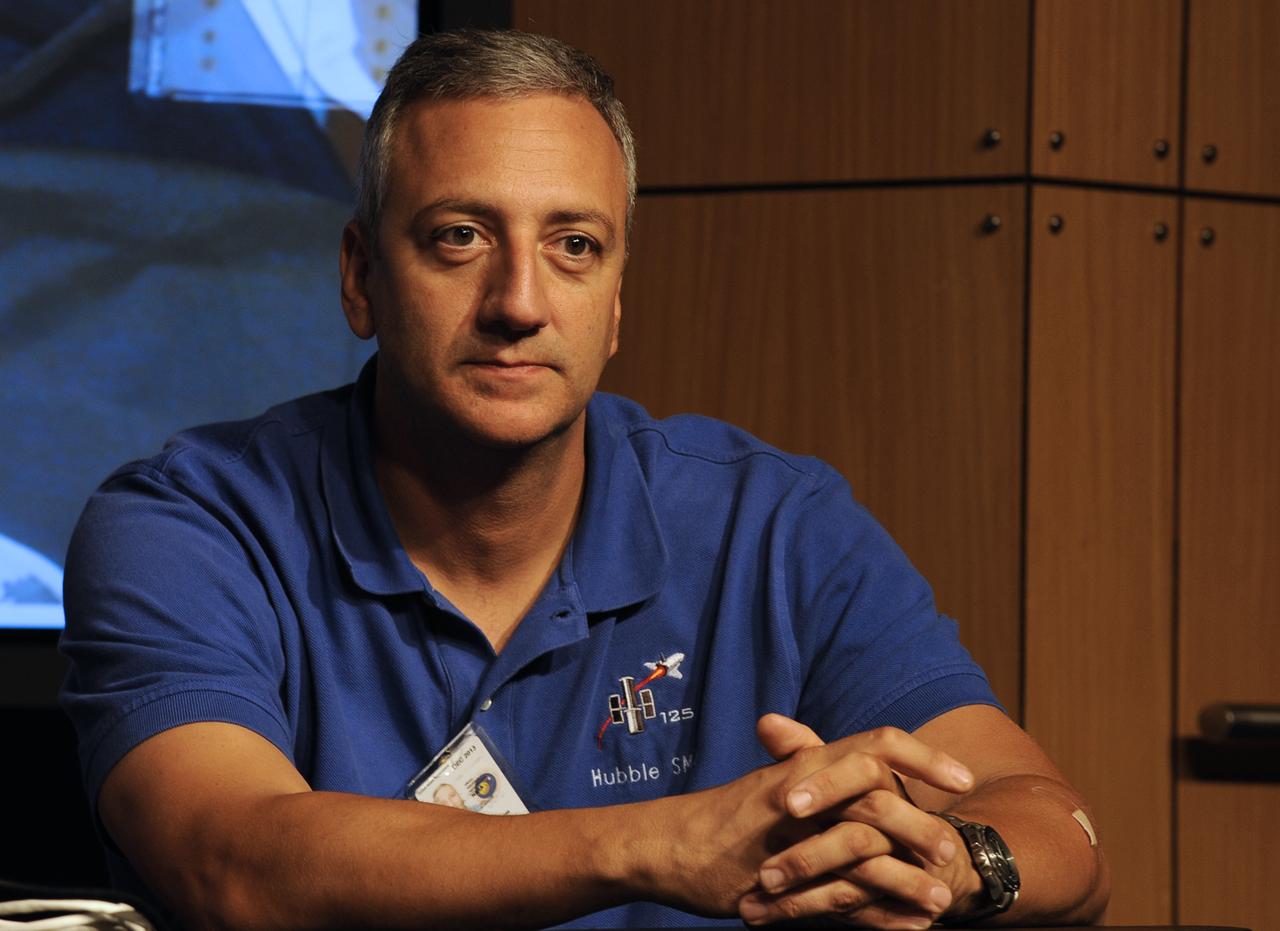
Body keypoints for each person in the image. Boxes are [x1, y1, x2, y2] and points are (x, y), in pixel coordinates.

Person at [59, 29, 1109, 930]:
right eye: (459, 237)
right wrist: (657, 844)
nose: (518, 300)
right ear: (360, 276)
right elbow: (232, 862)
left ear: (614, 304)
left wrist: (952, 866)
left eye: (573, 245)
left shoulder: (776, 524)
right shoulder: (186, 526)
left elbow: (1053, 824)